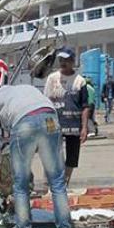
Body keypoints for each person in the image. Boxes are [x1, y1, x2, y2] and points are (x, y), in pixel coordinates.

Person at [0, 85, 72, 228]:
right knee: (57, 181)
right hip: (50, 118)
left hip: (24, 122)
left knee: (21, 183)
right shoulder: (22, 89)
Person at [43, 47, 89, 185]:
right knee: (52, 154)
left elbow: (85, 106)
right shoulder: (52, 79)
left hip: (74, 125)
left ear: (73, 61)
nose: (63, 63)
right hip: (54, 123)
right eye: (61, 60)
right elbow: (46, 102)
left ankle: (65, 182)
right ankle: (49, 184)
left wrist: (85, 128)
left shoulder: (80, 81)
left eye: (67, 60)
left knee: (72, 157)